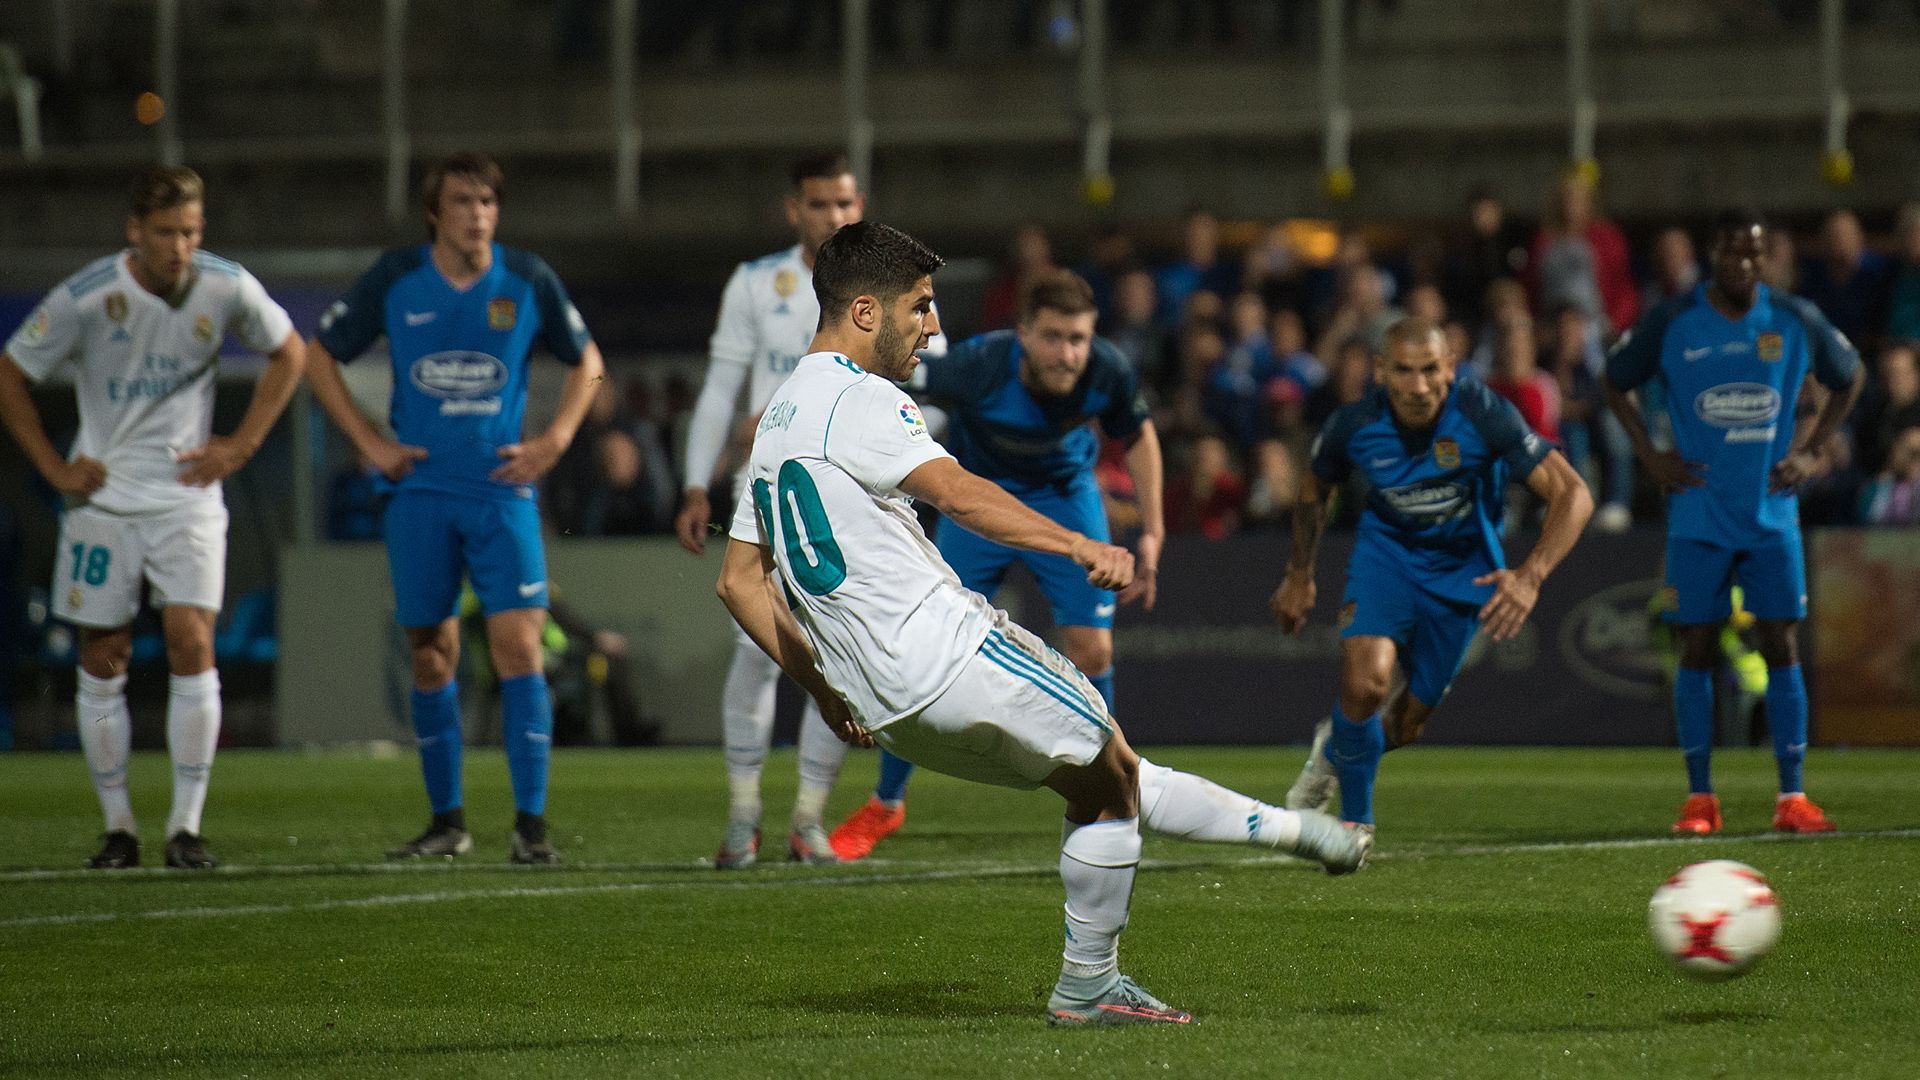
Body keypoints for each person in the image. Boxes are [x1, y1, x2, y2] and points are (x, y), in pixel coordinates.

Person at [718, 220, 1368, 1026]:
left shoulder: (780, 416)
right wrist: (1078, 543)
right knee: (1117, 777)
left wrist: (822, 689)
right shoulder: (861, 395)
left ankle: (1300, 835)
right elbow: (959, 495)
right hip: (950, 657)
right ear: (862, 311)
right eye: (918, 307)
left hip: (885, 706)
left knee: (1100, 779)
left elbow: (738, 582)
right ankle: (1093, 983)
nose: (931, 325)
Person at [0, 165, 306, 869]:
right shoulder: (87, 296)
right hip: (102, 504)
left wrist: (244, 444)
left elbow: (291, 352)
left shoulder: (225, 285)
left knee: (190, 641)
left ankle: (186, 829)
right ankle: (118, 827)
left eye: (192, 231)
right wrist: (53, 469)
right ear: (134, 231)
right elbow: (11, 374)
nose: (182, 247)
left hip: (186, 499)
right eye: (167, 232)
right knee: (101, 655)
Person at [305, 152, 604, 864]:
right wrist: (370, 441)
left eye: (488, 203)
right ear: (434, 214)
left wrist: (555, 440)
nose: (479, 215)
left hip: (502, 492)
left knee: (520, 648)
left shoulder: (527, 278)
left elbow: (588, 362)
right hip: (420, 493)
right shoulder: (397, 277)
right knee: (431, 654)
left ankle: (531, 828)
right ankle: (448, 822)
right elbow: (318, 357)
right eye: (464, 202)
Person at [828, 269, 1166, 861]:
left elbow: (1137, 437)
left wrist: (1155, 529)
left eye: (1079, 339)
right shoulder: (977, 366)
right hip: (977, 504)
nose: (1069, 354)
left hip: (1065, 496)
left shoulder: (1107, 370)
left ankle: (1114, 791)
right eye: (1055, 337)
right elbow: (881, 375)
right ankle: (887, 803)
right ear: (1023, 334)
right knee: (922, 653)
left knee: (1094, 652)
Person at [673, 153, 945, 868]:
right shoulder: (758, 283)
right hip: (772, 474)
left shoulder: (891, 287)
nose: (834, 216)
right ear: (795, 209)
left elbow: (930, 382)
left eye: (845, 203)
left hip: (853, 483)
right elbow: (719, 389)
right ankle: (742, 814)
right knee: (755, 645)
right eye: (820, 204)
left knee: (838, 645)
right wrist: (695, 482)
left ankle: (807, 818)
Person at [1273, 318, 1592, 844]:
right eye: (1404, 371)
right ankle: (1354, 827)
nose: (1418, 387)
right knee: (1364, 685)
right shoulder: (1354, 424)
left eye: (1430, 371)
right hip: (1387, 558)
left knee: (1403, 726)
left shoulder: (1483, 413)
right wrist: (1299, 574)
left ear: (1450, 368)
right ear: (1381, 371)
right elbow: (1314, 488)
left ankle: (1329, 755)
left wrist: (1531, 575)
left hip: (1465, 572)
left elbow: (1573, 493)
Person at [1602, 208, 1864, 835]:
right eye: (1731, 253)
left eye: (1754, 254)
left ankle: (1792, 797)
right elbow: (1615, 380)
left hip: (1772, 513)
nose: (1742, 265)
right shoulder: (1673, 319)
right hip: (1698, 513)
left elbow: (1849, 378)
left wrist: (1813, 449)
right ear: (1711, 254)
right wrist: (1646, 452)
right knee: (1696, 648)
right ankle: (1700, 799)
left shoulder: (1794, 318)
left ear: (1766, 258)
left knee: (1781, 644)